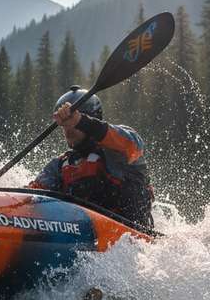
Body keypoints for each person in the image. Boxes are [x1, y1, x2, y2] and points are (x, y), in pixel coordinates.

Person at [29, 85, 154, 229]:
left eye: (73, 123)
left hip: (132, 237)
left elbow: (132, 145)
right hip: (82, 233)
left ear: (90, 119)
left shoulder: (120, 150)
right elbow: (33, 196)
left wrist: (81, 121)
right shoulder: (60, 165)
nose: (68, 130)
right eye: (65, 125)